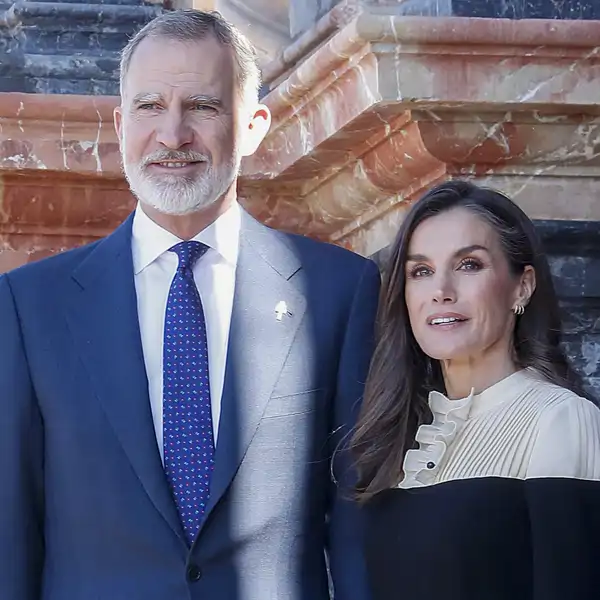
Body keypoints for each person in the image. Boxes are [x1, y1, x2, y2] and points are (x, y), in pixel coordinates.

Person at [0, 10, 379, 600]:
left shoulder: (337, 291)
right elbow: (12, 531)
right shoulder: (30, 307)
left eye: (202, 106)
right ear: (122, 125)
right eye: (150, 107)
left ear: (252, 126)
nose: (173, 135)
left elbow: (358, 530)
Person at [351, 180, 600, 600]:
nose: (441, 291)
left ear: (521, 286)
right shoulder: (401, 435)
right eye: (421, 271)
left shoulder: (560, 419)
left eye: (468, 265)